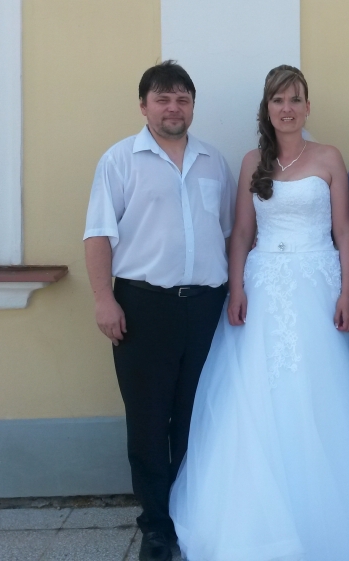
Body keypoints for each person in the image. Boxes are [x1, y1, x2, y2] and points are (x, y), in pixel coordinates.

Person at [169, 65, 349, 561]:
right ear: (267, 108)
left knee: (319, 391)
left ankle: (329, 519)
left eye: (295, 99)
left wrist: (347, 292)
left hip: (317, 285)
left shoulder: (328, 157)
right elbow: (242, 232)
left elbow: (344, 230)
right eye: (278, 100)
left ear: (307, 107)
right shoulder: (251, 161)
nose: (287, 109)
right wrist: (236, 288)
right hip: (263, 287)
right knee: (259, 393)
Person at [83, 61, 236, 561]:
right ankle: (155, 526)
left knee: (197, 417)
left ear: (192, 106)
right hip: (143, 307)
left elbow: (229, 233)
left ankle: (189, 515)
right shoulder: (119, 160)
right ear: (144, 105)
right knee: (149, 421)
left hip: (206, 307)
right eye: (163, 99)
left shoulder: (214, 161)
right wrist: (104, 299)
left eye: (182, 99)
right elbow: (98, 234)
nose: (173, 108)